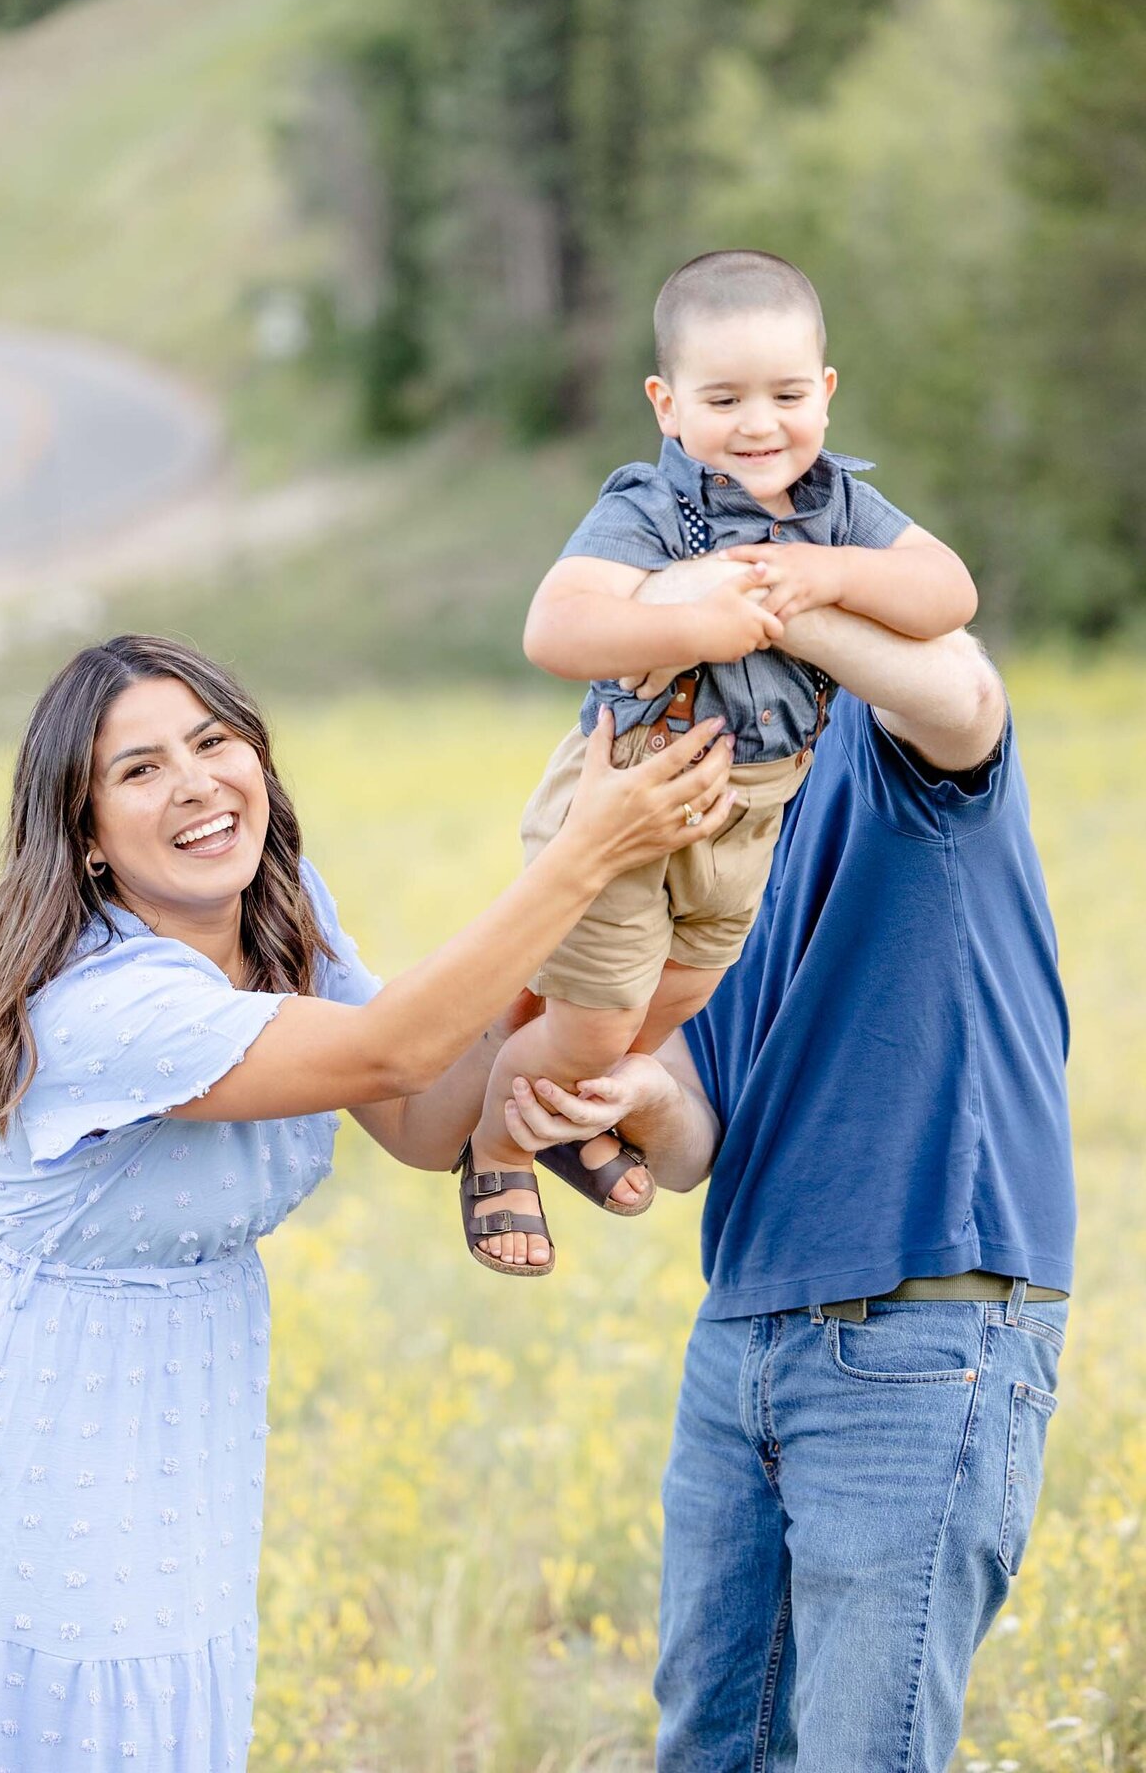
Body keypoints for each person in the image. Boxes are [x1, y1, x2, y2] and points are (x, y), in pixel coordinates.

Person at [0, 633, 734, 1769]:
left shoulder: (274, 917)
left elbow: (425, 1117)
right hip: (35, 1415)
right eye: (139, 769)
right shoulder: (107, 1005)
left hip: (176, 1414)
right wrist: (575, 858)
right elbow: (387, 1055)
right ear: (87, 838)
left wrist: (594, 955)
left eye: (213, 742)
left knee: (169, 1711)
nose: (196, 784)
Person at [502, 593, 1074, 1771]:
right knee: (708, 1747)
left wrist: (765, 593)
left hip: (922, 1338)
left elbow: (966, 692)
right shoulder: (689, 838)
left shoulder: (895, 742)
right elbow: (694, 1137)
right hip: (744, 1338)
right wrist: (639, 1100)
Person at [457, 249, 978, 1275]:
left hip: (746, 822)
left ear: (825, 394)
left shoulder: (838, 512)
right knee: (599, 1025)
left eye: (787, 394)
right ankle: (496, 1144)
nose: (759, 424)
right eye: (724, 397)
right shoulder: (650, 510)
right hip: (630, 802)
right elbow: (555, 630)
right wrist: (694, 620)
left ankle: (566, 1099)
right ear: (667, 404)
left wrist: (830, 571)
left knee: (674, 1004)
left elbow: (946, 592)